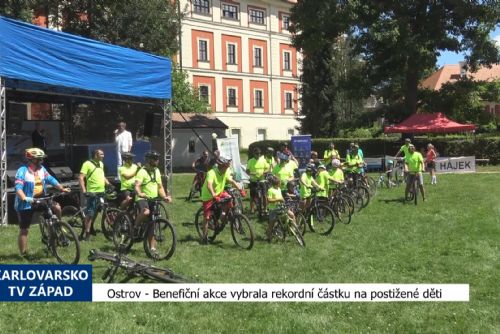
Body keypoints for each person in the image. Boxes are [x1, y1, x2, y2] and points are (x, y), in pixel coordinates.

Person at [15, 148, 70, 256]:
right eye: (39, 159)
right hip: (26, 203)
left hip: (40, 199)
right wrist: (24, 197)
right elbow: (18, 187)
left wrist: (61, 188)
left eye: (41, 159)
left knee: (55, 211)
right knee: (24, 229)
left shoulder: (41, 169)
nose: (41, 161)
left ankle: (53, 238)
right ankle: (23, 254)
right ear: (31, 159)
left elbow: (51, 179)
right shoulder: (22, 171)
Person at [134, 151, 172, 255]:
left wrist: (164, 197)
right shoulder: (142, 171)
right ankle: (135, 227)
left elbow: (160, 187)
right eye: (155, 158)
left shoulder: (157, 171)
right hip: (142, 198)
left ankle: (152, 249)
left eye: (157, 158)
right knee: (146, 212)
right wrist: (140, 193)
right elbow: (137, 185)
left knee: (153, 224)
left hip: (153, 199)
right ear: (149, 160)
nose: (157, 160)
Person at [200, 157, 245, 244]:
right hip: (208, 196)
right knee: (206, 217)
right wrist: (213, 195)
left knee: (230, 199)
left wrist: (240, 190)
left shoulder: (225, 172)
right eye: (226, 167)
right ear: (221, 166)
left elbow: (231, 181)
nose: (227, 168)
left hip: (219, 193)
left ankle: (223, 217)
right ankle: (204, 237)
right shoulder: (211, 173)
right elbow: (209, 185)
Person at [79, 149, 112, 240]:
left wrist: (108, 184)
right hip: (92, 192)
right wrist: (84, 190)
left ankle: (91, 226)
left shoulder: (101, 164)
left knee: (97, 210)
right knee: (90, 213)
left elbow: (102, 176)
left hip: (101, 192)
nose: (103, 156)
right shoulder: (87, 164)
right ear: (95, 155)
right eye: (101, 154)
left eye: (103, 154)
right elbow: (81, 178)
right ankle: (87, 233)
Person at [266, 176, 295, 241]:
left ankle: (294, 229)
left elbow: (281, 197)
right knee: (271, 224)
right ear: (276, 183)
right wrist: (278, 199)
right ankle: (269, 237)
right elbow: (269, 200)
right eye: (280, 182)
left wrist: (284, 201)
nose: (281, 184)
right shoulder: (270, 190)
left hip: (281, 207)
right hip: (273, 209)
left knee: (292, 215)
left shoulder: (279, 189)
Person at [246, 148, 270, 214]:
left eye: (259, 154)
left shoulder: (263, 160)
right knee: (252, 196)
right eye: (257, 154)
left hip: (262, 180)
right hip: (253, 181)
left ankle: (265, 208)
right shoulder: (250, 161)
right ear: (254, 154)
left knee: (265, 195)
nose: (258, 155)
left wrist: (264, 172)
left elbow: (268, 169)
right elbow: (247, 171)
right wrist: (251, 173)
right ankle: (252, 208)